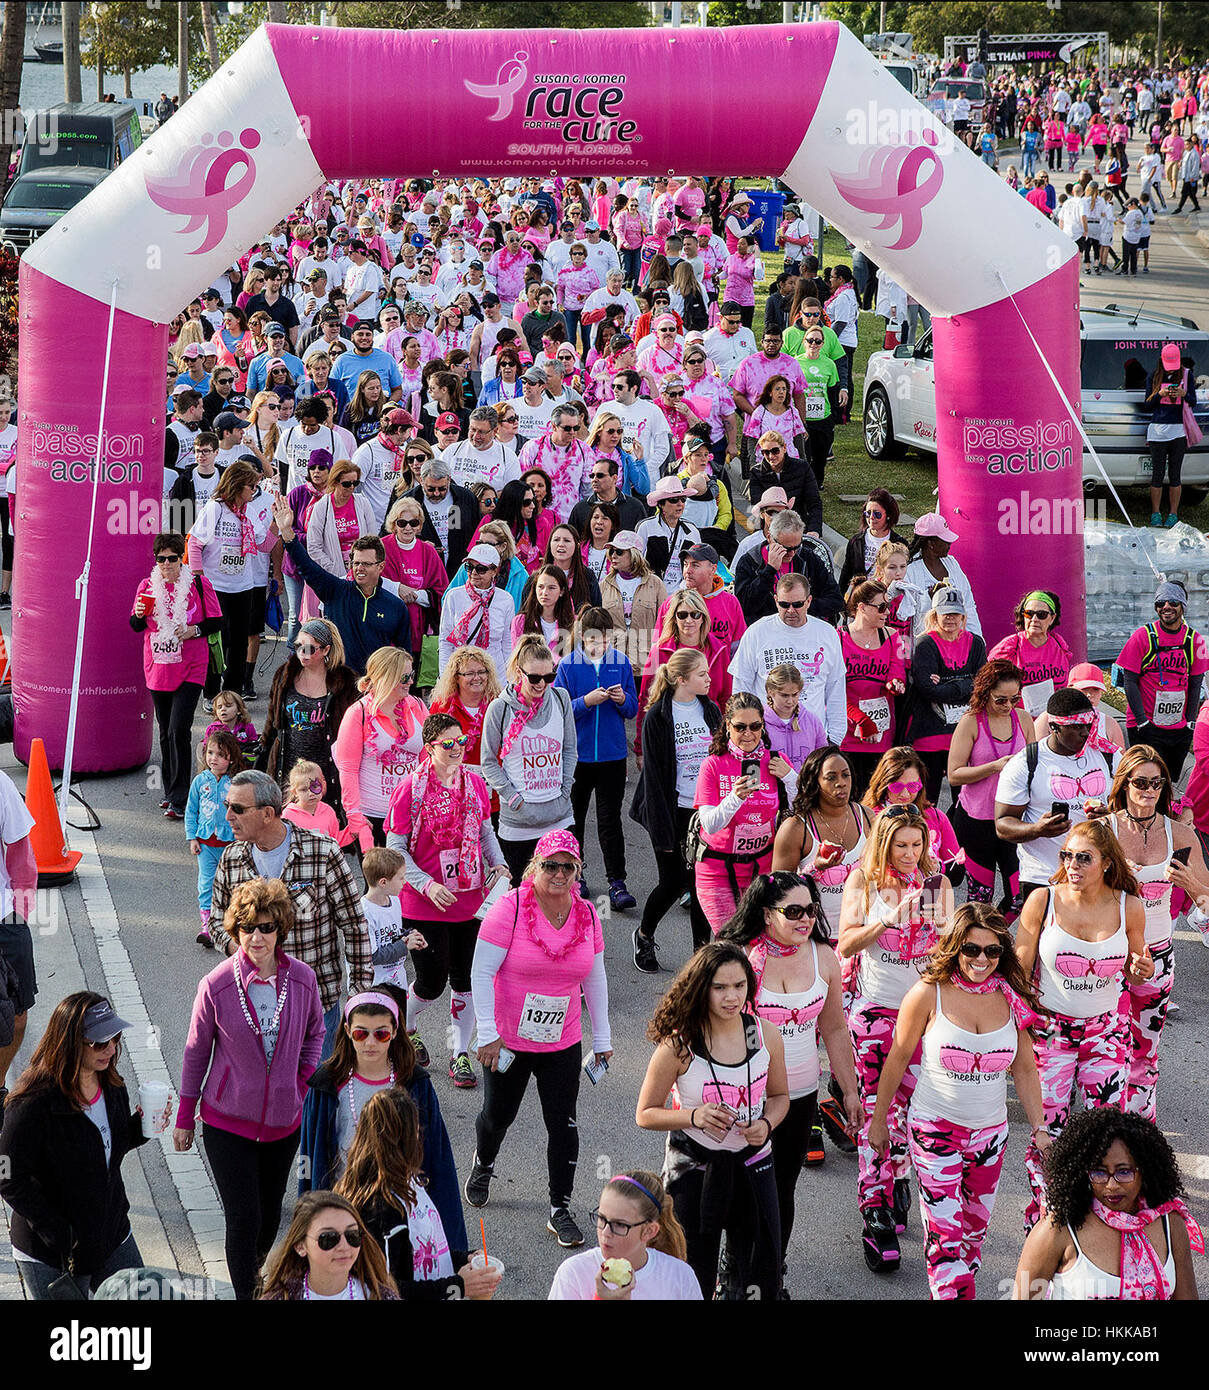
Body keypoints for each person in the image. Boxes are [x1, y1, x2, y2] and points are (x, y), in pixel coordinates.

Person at [870, 903, 1049, 1300]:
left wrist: (1040, 1127)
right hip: (936, 1131)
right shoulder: (927, 993)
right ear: (954, 947)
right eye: (971, 949)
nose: (981, 959)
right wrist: (879, 1120)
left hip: (991, 1138)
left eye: (991, 951)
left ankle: (958, 1288)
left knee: (972, 1235)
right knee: (946, 1238)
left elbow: (1024, 1069)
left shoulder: (1011, 998)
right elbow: (898, 1057)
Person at [174, 880, 326, 1300]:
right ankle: (248, 1294)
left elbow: (316, 1032)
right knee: (243, 1218)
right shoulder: (217, 985)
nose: (256, 937)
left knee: (268, 1218)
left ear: (281, 930)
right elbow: (195, 1052)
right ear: (235, 930)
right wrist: (185, 1118)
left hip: (283, 1122)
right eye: (247, 928)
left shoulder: (303, 980)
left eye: (266, 927)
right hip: (227, 1123)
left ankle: (255, 1274)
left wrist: (301, 1080)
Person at [464, 831, 612, 1252]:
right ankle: (483, 1163)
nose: (560, 874)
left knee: (563, 1124)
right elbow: (480, 972)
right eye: (551, 865)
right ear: (535, 866)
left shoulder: (587, 915)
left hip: (561, 1041)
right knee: (497, 1115)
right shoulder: (508, 909)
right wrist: (488, 1034)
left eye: (569, 867)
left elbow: (595, 978)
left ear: (577, 871)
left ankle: (559, 1207)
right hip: (508, 1040)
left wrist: (601, 1038)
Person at [1014, 819, 1151, 1228]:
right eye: (1066, 855)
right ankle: (1046, 1213)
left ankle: (1098, 1216)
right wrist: (1018, 1029)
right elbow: (1019, 972)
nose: (1072, 864)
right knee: (1047, 1129)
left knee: (1105, 1128)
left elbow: (1135, 970)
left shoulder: (1130, 905)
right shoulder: (1043, 900)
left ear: (1107, 863)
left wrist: (1140, 970)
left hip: (1106, 1031)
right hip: (1052, 1031)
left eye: (1083, 857)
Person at [720, 873, 861, 1270]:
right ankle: (733, 1273)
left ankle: (770, 1272)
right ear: (766, 915)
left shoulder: (824, 957)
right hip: (746, 1097)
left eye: (811, 910)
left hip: (800, 1097)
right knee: (742, 1190)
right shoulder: (740, 958)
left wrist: (849, 1092)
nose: (806, 920)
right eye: (794, 911)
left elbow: (833, 1028)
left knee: (782, 1189)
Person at [838, 804, 954, 1272]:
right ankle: (875, 1210)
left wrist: (941, 927)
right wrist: (888, 919)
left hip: (924, 1017)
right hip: (874, 1016)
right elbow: (844, 943)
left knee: (914, 1111)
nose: (910, 854)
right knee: (875, 1113)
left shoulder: (939, 884)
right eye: (900, 845)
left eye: (917, 844)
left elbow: (951, 953)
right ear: (883, 844)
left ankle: (897, 1178)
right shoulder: (862, 883)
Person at [636, 941, 788, 1300]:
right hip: (694, 1169)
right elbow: (645, 1112)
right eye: (719, 987)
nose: (731, 997)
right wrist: (694, 1115)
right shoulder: (681, 1045)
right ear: (701, 987)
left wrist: (766, 1125)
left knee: (757, 1269)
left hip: (752, 1165)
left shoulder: (763, 1035)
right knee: (689, 1271)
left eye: (739, 986)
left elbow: (781, 1098)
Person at [0, 994, 166, 1299]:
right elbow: (6, 1175)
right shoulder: (31, 1105)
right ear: (70, 1042)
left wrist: (141, 1128)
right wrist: (61, 1233)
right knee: (76, 1343)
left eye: (115, 1038)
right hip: (52, 1253)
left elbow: (103, 1148)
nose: (111, 1049)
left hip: (111, 1234)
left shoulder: (112, 1085)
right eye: (99, 1043)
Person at [210, 769, 373, 1054]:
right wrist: (241, 948)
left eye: (237, 809)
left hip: (315, 1007)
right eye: (227, 807)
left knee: (314, 1094)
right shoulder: (231, 859)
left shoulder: (322, 851)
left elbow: (354, 924)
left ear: (267, 813)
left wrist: (358, 995)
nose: (228, 817)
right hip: (253, 1007)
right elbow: (216, 922)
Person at [384, 712, 510, 1082]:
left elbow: (487, 832)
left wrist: (499, 865)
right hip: (424, 903)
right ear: (429, 748)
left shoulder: (475, 783)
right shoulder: (411, 787)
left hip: (471, 901)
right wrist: (426, 884)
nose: (457, 749)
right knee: (431, 981)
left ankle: (459, 1053)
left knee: (467, 979)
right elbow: (396, 848)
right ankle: (407, 1024)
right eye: (448, 744)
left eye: (462, 742)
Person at [1107, 745, 1209, 1121]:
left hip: (1159, 956)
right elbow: (1070, 892)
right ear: (1124, 784)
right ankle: (1106, 1125)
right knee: (1108, 1047)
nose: (1149, 790)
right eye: (1140, 782)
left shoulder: (1181, 833)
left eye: (1157, 782)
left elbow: (1207, 901)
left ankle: (1141, 1129)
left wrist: (1192, 884)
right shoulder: (1103, 832)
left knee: (1145, 1050)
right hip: (1110, 955)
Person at [1014, 1108, 1199, 1301]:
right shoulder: (1057, 1230)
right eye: (1099, 1172)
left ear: (1145, 1170)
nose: (1111, 1185)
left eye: (1124, 1172)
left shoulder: (1170, 1223)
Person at [337, 1088, 501, 1300]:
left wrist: (464, 1258)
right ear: (405, 1139)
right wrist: (458, 1287)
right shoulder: (381, 1209)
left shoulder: (405, 1182)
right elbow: (386, 1291)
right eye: (415, 1130)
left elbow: (420, 1254)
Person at [131, 531, 224, 819]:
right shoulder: (146, 587)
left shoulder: (197, 583)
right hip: (158, 667)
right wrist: (136, 613)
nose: (168, 564)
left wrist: (193, 630)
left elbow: (218, 621)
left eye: (173, 558)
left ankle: (182, 797)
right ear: (156, 561)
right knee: (164, 731)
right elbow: (136, 626)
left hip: (192, 665)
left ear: (181, 559)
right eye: (162, 559)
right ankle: (171, 792)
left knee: (178, 729)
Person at [995, 686, 1119, 902]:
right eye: (1076, 726)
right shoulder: (1026, 763)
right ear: (1054, 727)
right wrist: (1037, 829)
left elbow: (1132, 808)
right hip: (1044, 878)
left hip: (1095, 875)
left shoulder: (1108, 757)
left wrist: (1110, 815)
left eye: (1089, 725)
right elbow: (1003, 824)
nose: (1085, 732)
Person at [554, 608, 639, 908]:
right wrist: (586, 702)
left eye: (604, 637)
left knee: (609, 820)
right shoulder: (568, 665)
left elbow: (632, 708)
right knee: (574, 819)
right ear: (581, 635)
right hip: (578, 757)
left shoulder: (621, 663)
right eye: (592, 637)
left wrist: (622, 699)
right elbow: (560, 711)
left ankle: (617, 882)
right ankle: (577, 875)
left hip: (613, 756)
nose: (598, 643)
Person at [273, 500, 412, 675]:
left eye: (366, 564)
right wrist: (286, 531)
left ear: (381, 566)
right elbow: (306, 565)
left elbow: (403, 654)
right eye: (356, 563)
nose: (359, 569)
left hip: (376, 687)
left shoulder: (395, 606)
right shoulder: (335, 591)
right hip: (338, 685)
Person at [693, 693, 793, 934]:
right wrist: (734, 798)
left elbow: (805, 806)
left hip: (761, 867)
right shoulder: (713, 764)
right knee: (730, 943)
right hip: (717, 869)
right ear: (728, 726)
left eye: (755, 726)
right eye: (740, 727)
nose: (748, 733)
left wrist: (791, 777)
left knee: (760, 942)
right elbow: (710, 824)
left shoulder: (776, 761)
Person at [480, 636, 578, 880]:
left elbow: (570, 750)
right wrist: (514, 799)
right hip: (518, 825)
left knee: (560, 891)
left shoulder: (560, 699)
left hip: (559, 817)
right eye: (534, 678)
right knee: (520, 899)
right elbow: (489, 761)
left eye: (549, 677)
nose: (542, 684)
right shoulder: (500, 708)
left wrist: (565, 789)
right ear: (518, 672)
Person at [948, 659, 1034, 917]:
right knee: (979, 901)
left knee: (1020, 899)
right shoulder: (971, 721)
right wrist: (994, 766)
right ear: (985, 694)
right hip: (977, 822)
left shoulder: (1023, 719)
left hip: (1013, 819)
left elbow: (1035, 764)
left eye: (1014, 699)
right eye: (1000, 700)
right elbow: (954, 775)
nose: (1008, 706)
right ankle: (976, 948)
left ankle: (996, 940)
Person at [187, 460, 276, 698]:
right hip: (216, 586)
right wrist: (200, 580)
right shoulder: (215, 508)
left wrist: (279, 524)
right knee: (218, 642)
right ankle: (211, 694)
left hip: (243, 585)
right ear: (237, 486)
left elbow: (264, 544)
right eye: (250, 486)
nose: (254, 491)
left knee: (238, 643)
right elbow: (194, 544)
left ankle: (233, 694)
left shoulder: (251, 512)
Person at [548, 1169, 702, 1300]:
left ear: (649, 1231)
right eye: (602, 1218)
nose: (605, 1233)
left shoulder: (680, 1277)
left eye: (620, 1225)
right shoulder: (573, 1274)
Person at [257, 618, 357, 818]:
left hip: (326, 775)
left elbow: (353, 733)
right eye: (298, 646)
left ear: (326, 650)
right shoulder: (284, 675)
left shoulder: (346, 683)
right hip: (288, 771)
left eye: (310, 648)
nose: (302, 653)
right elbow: (272, 721)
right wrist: (261, 757)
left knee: (322, 831)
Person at [729, 573, 846, 744]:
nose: (791, 610)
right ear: (776, 600)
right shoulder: (757, 632)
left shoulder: (827, 634)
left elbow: (836, 690)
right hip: (766, 737)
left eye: (797, 604)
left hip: (812, 736)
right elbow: (741, 689)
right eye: (784, 604)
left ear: (809, 601)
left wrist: (835, 739)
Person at [334, 647, 428, 852]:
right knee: (382, 882)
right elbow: (347, 769)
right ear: (386, 677)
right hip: (373, 816)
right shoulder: (358, 713)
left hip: (412, 813)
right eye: (405, 677)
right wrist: (354, 815)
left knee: (412, 881)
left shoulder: (418, 707)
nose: (411, 681)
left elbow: (427, 760)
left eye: (412, 675)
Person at [1116, 579, 1208, 782]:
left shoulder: (1195, 640)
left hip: (1178, 727)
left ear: (1182, 606)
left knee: (1169, 783)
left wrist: (1190, 723)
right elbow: (1129, 681)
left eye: (1173, 602)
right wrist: (1142, 722)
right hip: (1145, 726)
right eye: (1160, 603)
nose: (1166, 607)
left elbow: (1196, 684)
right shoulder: (1143, 636)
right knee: (1145, 781)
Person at [908, 585, 987, 805]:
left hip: (964, 733)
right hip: (931, 734)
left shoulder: (975, 642)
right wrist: (965, 683)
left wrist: (946, 682)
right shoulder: (925, 643)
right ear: (935, 615)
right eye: (945, 613)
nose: (950, 619)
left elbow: (983, 685)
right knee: (928, 800)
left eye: (955, 613)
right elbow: (927, 689)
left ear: (963, 615)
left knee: (964, 800)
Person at [258, 1190, 399, 1301]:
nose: (344, 1246)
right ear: (300, 1246)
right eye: (329, 1238)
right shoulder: (280, 1297)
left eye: (352, 1235)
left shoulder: (381, 1295)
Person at [840, 579, 908, 797]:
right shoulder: (838, 637)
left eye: (888, 606)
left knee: (876, 796)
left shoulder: (893, 636)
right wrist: (859, 718)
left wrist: (896, 684)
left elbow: (898, 671)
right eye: (881, 607)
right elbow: (834, 690)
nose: (887, 612)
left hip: (880, 734)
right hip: (849, 733)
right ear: (861, 607)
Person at [733, 509, 842, 625]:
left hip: (804, 629)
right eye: (786, 548)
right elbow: (744, 607)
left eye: (797, 547)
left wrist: (801, 608)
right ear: (769, 538)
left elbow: (836, 600)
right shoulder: (750, 561)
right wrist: (769, 570)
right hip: (766, 630)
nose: (792, 553)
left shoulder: (808, 558)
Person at [988, 590, 1073, 720]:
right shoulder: (1009, 647)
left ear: (1052, 618)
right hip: (1017, 722)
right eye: (1029, 614)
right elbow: (989, 686)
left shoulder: (1060, 645)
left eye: (1041, 615)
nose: (1034, 620)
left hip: (1054, 721)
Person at [439, 542, 517, 681]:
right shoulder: (453, 596)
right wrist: (446, 677)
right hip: (463, 674)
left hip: (495, 674)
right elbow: (445, 641)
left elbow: (507, 642)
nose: (474, 573)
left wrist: (508, 680)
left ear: (494, 571)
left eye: (481, 569)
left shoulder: (505, 599)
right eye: (469, 567)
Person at [904, 513, 982, 637]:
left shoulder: (952, 564)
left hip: (958, 643)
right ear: (931, 544)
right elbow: (910, 618)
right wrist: (930, 597)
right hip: (928, 646)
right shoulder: (910, 572)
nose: (949, 544)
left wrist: (977, 639)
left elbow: (968, 604)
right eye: (944, 540)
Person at [305, 459, 376, 578]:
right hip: (332, 574)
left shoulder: (363, 503)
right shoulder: (322, 507)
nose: (352, 487)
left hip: (361, 572)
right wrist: (332, 568)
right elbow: (313, 547)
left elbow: (373, 539)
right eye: (347, 484)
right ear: (335, 482)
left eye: (356, 483)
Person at [838, 490, 908, 595]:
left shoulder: (898, 543)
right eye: (868, 513)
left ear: (888, 515)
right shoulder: (856, 542)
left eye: (877, 514)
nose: (871, 517)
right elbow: (846, 573)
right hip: (860, 597)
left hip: (888, 597)